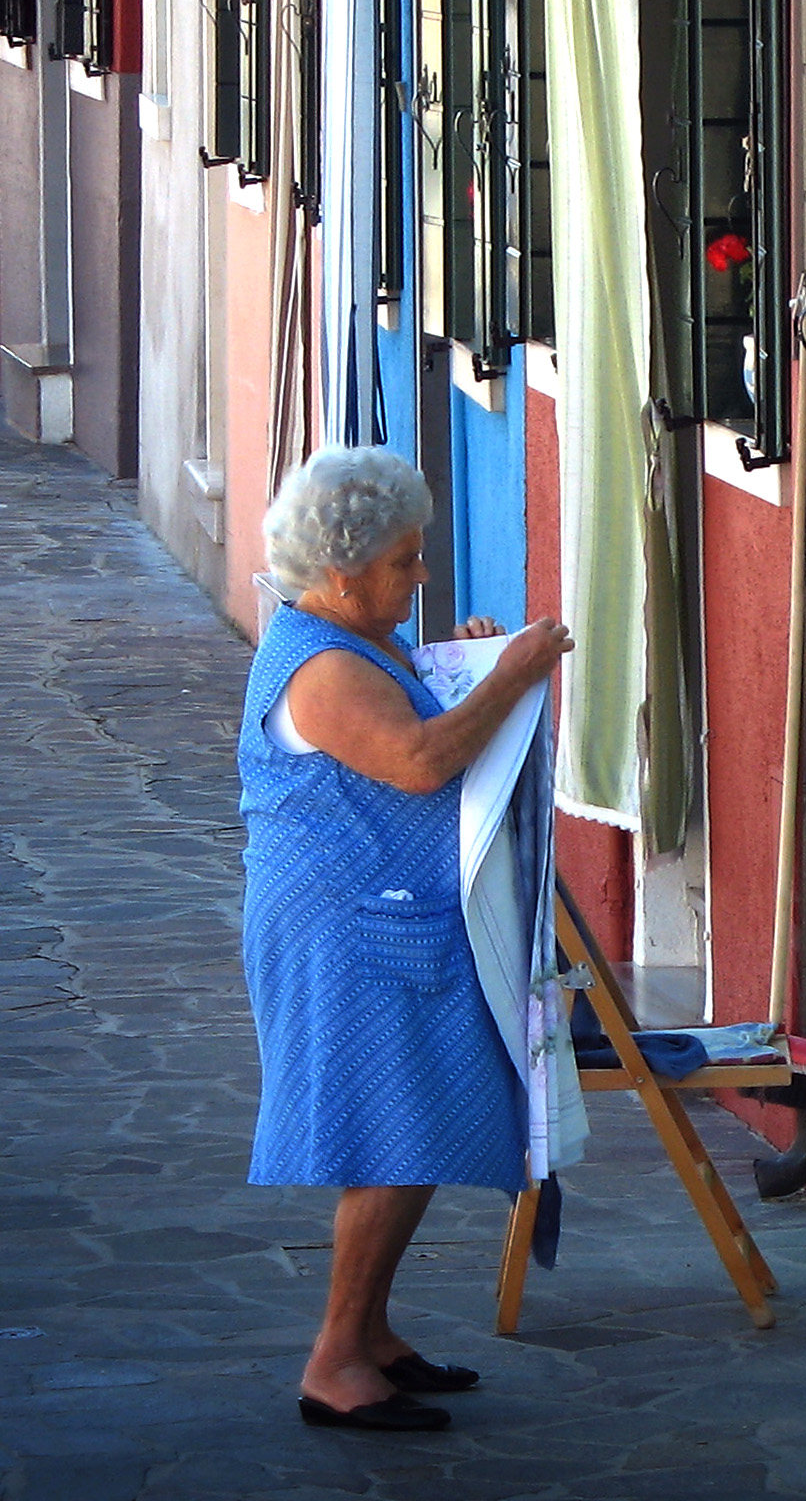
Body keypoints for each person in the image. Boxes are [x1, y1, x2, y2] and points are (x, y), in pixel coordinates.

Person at [238, 446, 572, 1433]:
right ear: (342, 573)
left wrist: (467, 662)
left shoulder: (356, 636)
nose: (418, 576)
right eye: (403, 561)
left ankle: (373, 1332)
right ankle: (336, 1359)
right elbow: (422, 760)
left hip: (382, 920)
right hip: (345, 931)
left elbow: (421, 707)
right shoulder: (327, 668)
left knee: (407, 1132)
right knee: (387, 1141)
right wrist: (508, 676)